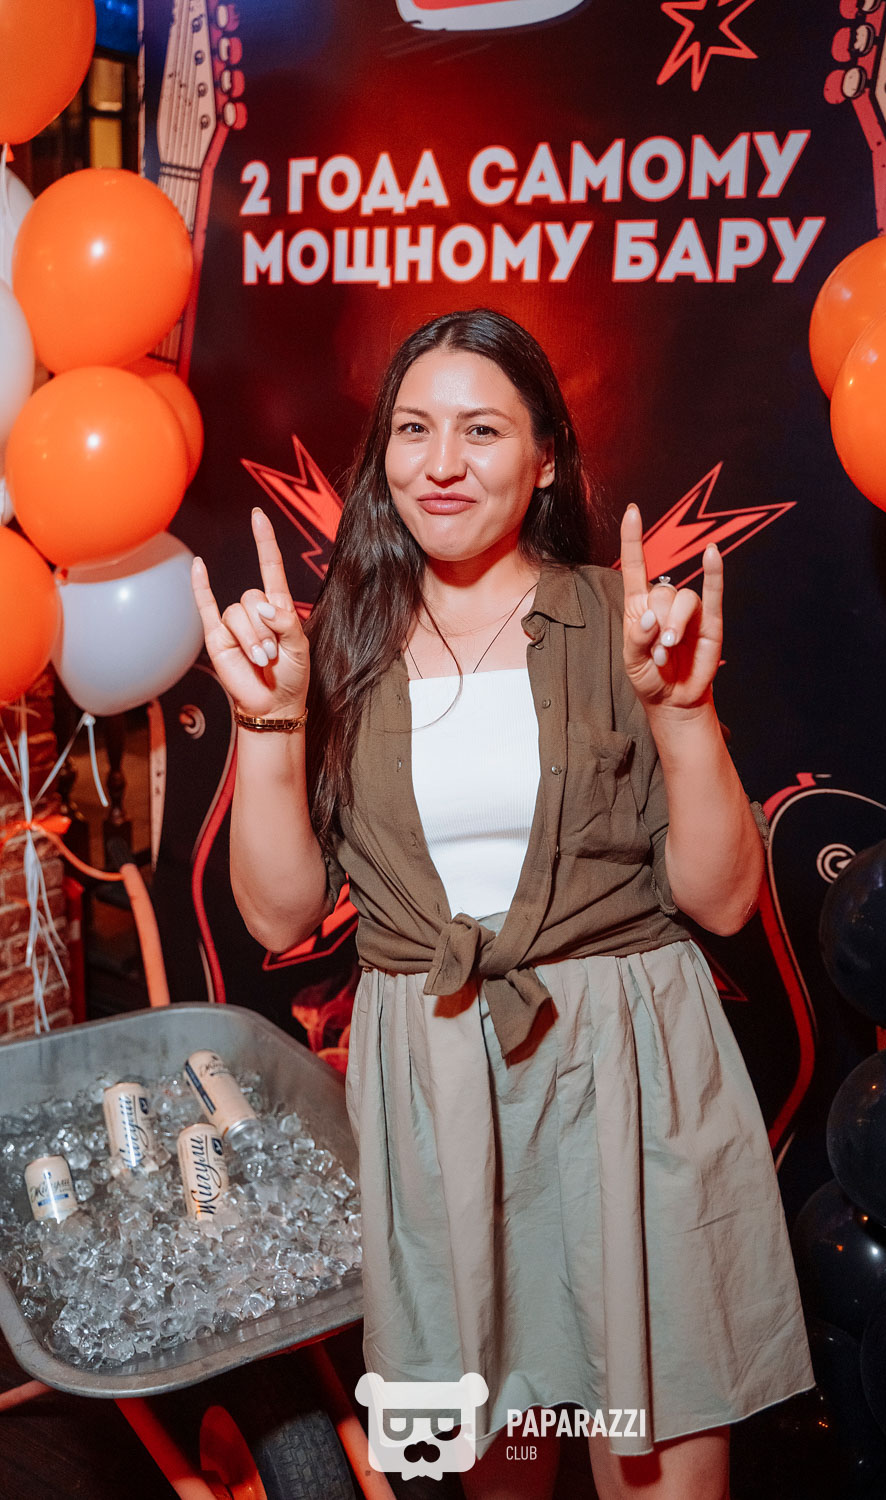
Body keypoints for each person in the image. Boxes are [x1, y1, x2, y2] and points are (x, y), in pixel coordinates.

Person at [192, 307, 813, 1500]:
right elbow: (278, 918)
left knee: (652, 1442)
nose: (441, 462)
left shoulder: (623, 619)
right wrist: (266, 721)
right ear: (381, 454)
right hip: (434, 1088)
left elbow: (724, 899)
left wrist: (682, 713)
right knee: (497, 1458)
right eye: (413, 429)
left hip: (624, 1069)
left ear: (545, 461)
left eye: (481, 430)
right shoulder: (338, 645)